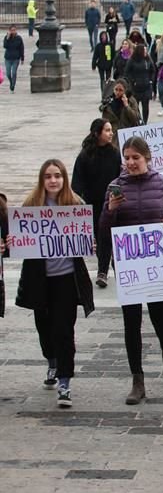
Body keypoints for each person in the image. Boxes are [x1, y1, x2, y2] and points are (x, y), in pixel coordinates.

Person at [101, 136, 163, 404]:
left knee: (159, 315)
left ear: (147, 158)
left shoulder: (162, 183)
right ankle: (137, 380)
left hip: (156, 263)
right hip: (128, 265)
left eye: (135, 158)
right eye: (127, 158)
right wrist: (110, 210)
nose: (130, 162)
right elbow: (104, 229)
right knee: (131, 322)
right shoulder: (115, 186)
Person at [11, 160, 95, 408]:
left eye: (57, 175)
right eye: (48, 176)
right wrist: (10, 242)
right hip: (39, 280)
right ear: (42, 180)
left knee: (64, 330)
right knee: (44, 328)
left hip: (67, 279)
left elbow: (88, 236)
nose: (53, 180)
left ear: (64, 178)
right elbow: (17, 239)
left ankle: (65, 382)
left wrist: (89, 242)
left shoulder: (75, 204)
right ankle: (52, 361)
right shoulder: (31, 205)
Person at [72, 119, 122, 288]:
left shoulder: (115, 154)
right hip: (92, 205)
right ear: (97, 133)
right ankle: (102, 270)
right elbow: (77, 183)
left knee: (111, 236)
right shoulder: (85, 156)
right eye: (107, 130)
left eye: (111, 130)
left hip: (112, 203)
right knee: (101, 237)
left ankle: (112, 268)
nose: (111, 133)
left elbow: (120, 178)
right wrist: (79, 203)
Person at [123, 43, 155, 123]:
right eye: (144, 50)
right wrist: (133, 81)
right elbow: (127, 72)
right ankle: (138, 121)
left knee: (145, 106)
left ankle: (145, 121)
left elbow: (153, 70)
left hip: (146, 86)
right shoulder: (132, 60)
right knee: (135, 106)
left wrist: (151, 80)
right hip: (136, 87)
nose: (146, 52)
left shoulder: (148, 59)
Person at [3, 25, 24, 93]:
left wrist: (22, 58)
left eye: (14, 30)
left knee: (14, 73)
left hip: (16, 58)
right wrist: (7, 38)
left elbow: (21, 48)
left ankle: (12, 86)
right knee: (8, 74)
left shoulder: (19, 38)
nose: (13, 31)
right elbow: (5, 46)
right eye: (12, 30)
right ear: (9, 31)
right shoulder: (6, 37)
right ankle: (11, 81)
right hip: (8, 58)